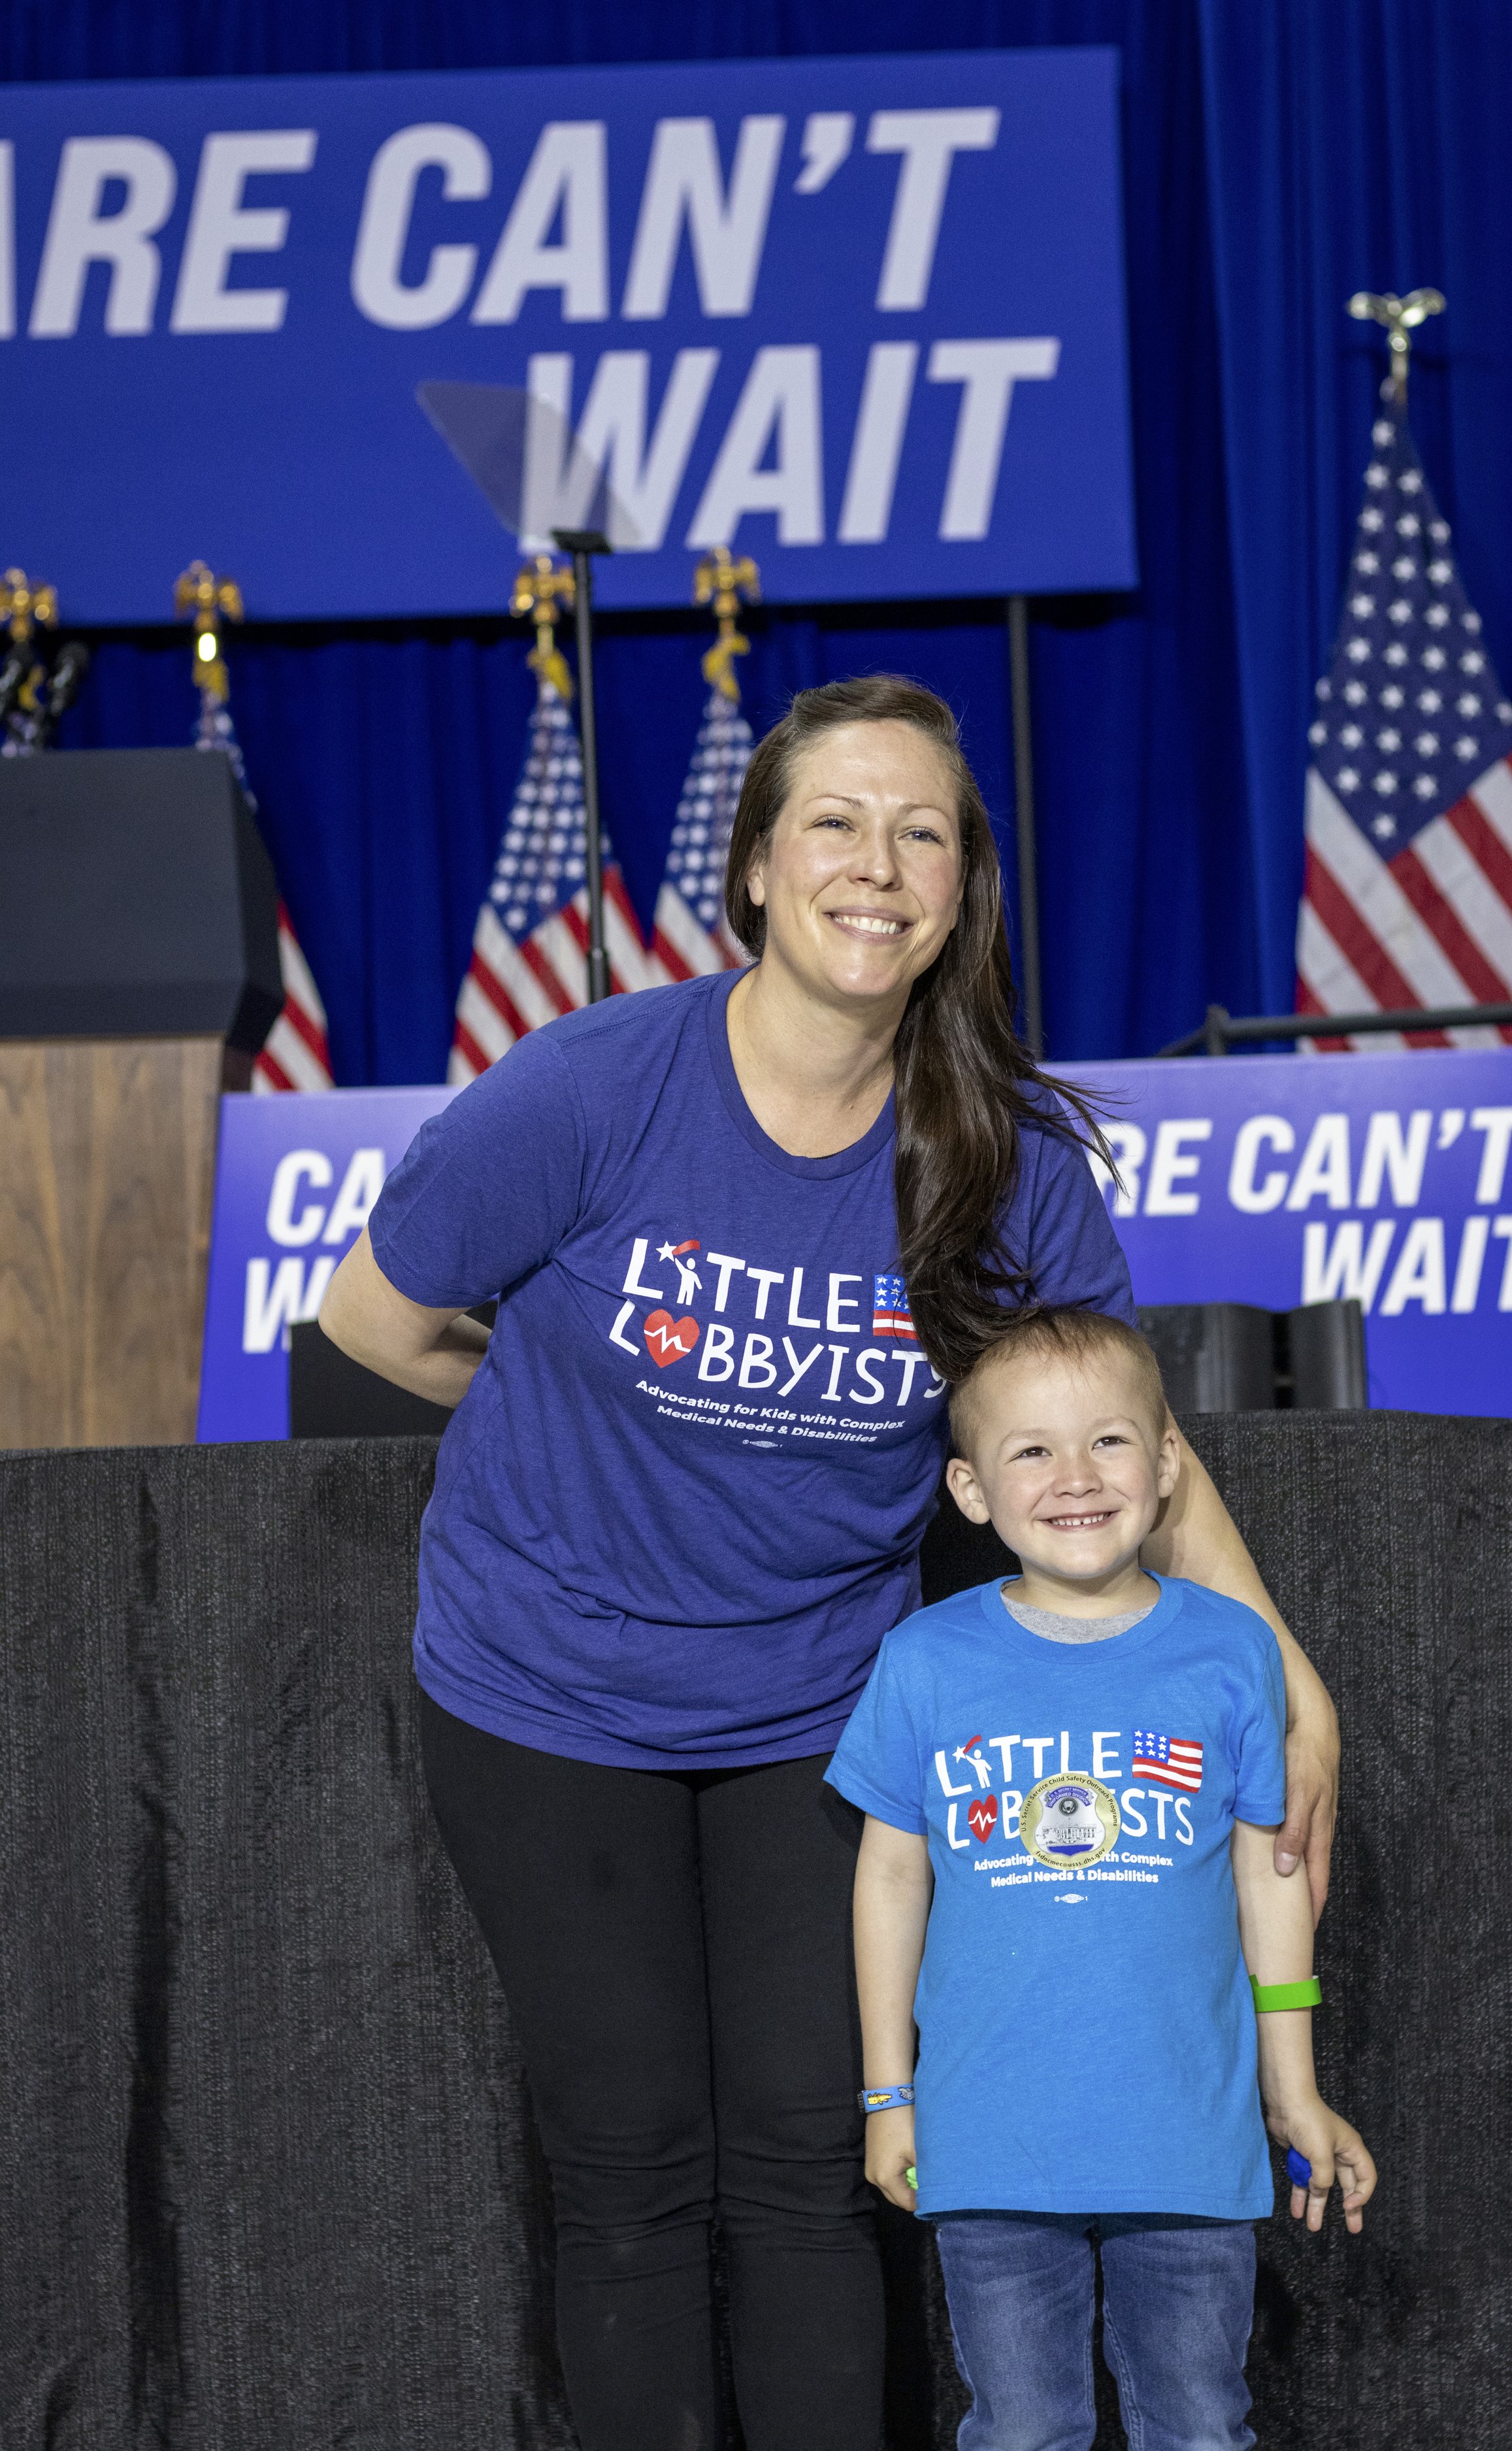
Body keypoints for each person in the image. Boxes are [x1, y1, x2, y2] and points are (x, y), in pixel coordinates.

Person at [318, 676, 1340, 2451]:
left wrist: (1286, 1673)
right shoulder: (587, 1089)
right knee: (631, 2161)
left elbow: (1113, 1446)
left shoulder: (1005, 1162)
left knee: (810, 2158)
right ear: (756, 872)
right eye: (836, 824)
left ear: (961, 890)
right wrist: (593, 1415)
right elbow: (373, 1325)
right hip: (544, 1694)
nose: (878, 864)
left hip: (818, 1702)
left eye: (922, 829)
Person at [830, 1307, 1375, 2451]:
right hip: (990, 2151)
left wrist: (1294, 2085)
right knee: (1020, 2432)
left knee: (1199, 2427)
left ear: (1170, 1463)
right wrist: (889, 2094)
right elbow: (889, 1881)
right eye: (1032, 1449)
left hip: (1188, 2146)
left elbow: (1271, 1876)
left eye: (1110, 1441)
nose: (1075, 1476)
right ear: (972, 1490)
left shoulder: (1232, 1651)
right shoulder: (925, 1659)